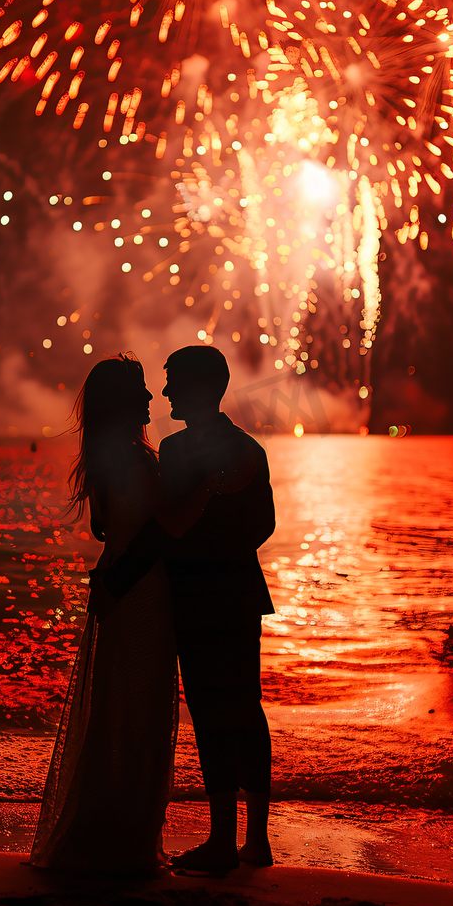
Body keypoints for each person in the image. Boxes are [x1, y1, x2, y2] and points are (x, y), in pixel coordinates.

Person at [29, 353, 215, 875]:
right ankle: (127, 839)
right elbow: (174, 525)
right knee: (140, 711)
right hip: (144, 594)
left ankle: (107, 827)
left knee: (117, 707)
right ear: (124, 403)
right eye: (141, 392)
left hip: (116, 582)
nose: (152, 398)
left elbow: (105, 531)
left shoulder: (108, 457)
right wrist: (209, 481)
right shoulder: (137, 457)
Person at [101, 346, 276, 873]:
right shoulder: (247, 448)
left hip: (202, 595)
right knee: (246, 707)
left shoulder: (178, 452)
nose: (168, 390)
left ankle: (226, 839)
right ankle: (255, 839)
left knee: (211, 711)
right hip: (238, 593)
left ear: (200, 387)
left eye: (174, 380)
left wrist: (123, 576)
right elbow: (262, 526)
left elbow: (168, 526)